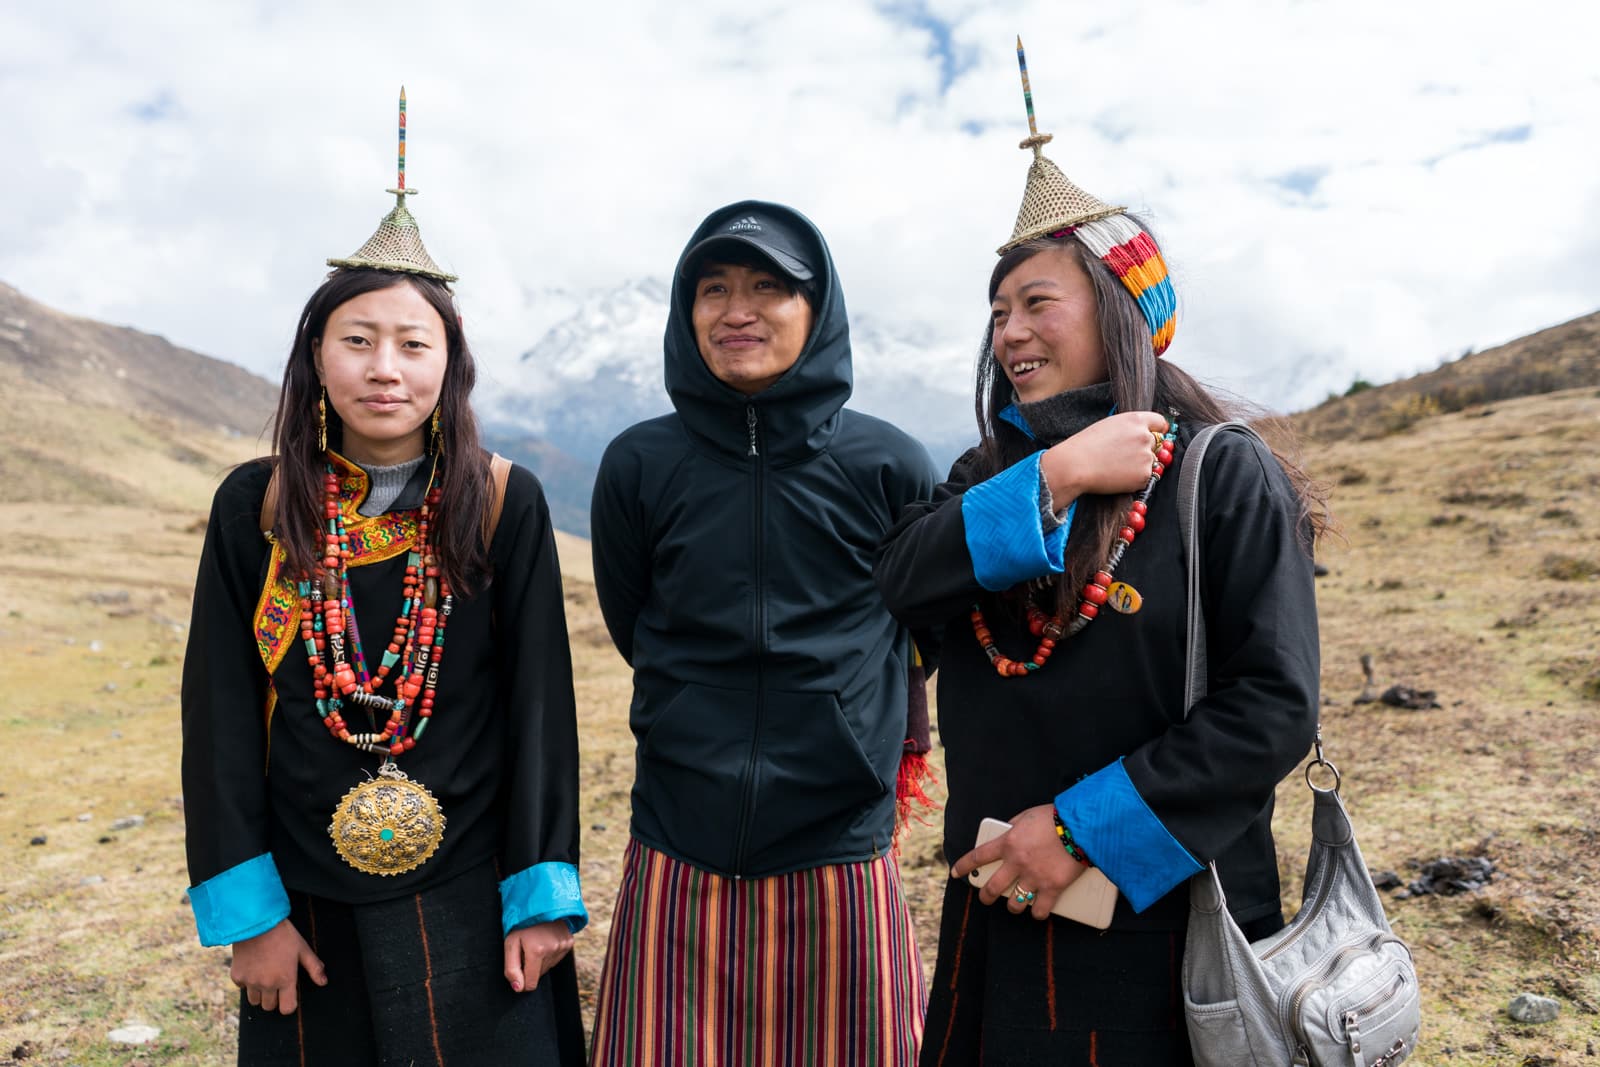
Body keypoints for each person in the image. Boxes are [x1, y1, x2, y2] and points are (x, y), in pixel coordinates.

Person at [873, 67, 1327, 1064]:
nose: (1011, 331)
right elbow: (903, 581)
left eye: (1037, 301)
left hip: (1159, 913)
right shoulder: (984, 476)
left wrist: (1078, 830)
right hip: (996, 897)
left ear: (1121, 308)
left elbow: (1272, 702)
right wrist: (1062, 472)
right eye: (997, 313)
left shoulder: (1220, 473)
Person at [181, 139, 588, 1065]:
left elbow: (538, 707)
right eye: (357, 340)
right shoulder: (258, 505)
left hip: (477, 882)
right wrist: (252, 917)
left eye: (415, 343)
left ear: (451, 364)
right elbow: (221, 714)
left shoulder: (498, 500)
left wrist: (540, 897)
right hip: (305, 891)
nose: (385, 367)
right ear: (316, 356)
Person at [587, 201, 939, 1065]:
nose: (737, 309)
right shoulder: (640, 465)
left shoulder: (888, 465)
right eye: (714, 289)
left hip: (839, 847)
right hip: (678, 836)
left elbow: (917, 624)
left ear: (818, 312)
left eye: (769, 287)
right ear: (686, 312)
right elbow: (635, 623)